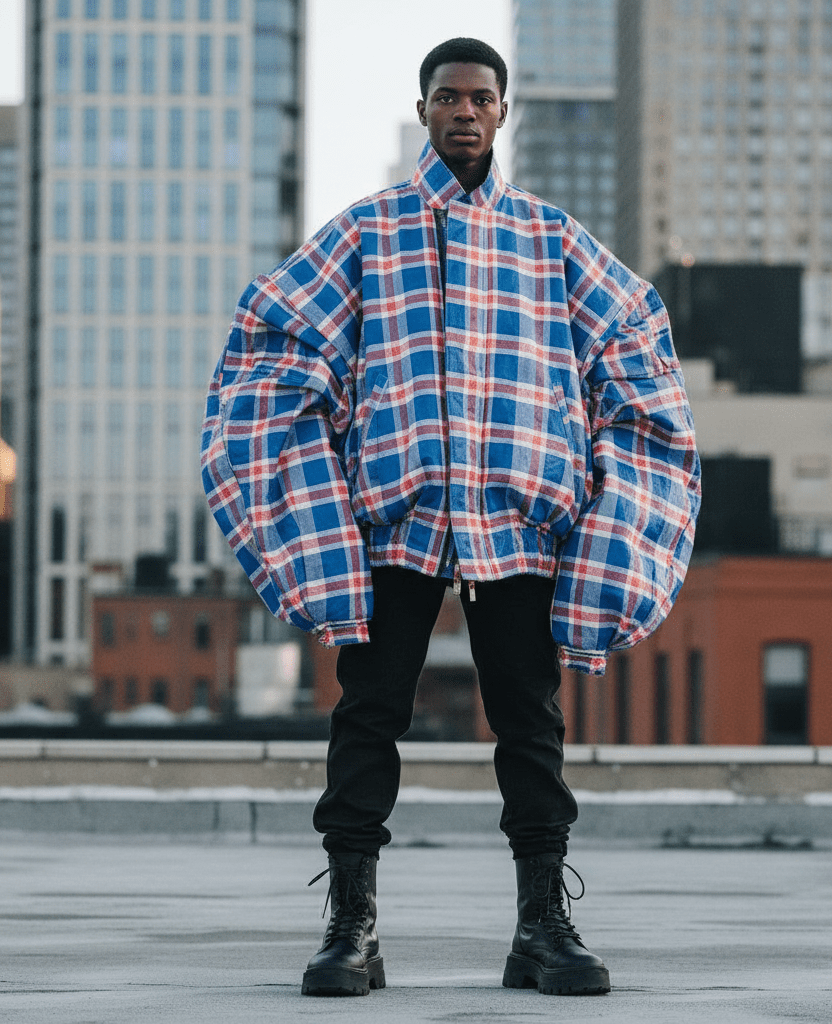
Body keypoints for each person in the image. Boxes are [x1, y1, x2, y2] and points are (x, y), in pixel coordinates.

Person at [201, 37, 700, 998]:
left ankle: (543, 925)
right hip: (395, 520)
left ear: (502, 111)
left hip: (518, 524)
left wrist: (588, 481)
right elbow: (276, 340)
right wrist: (323, 491)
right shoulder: (366, 233)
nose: (464, 111)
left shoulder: (553, 240)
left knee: (530, 722)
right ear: (425, 108)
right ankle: (350, 926)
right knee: (368, 715)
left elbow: (634, 343)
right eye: (446, 97)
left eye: (480, 97)